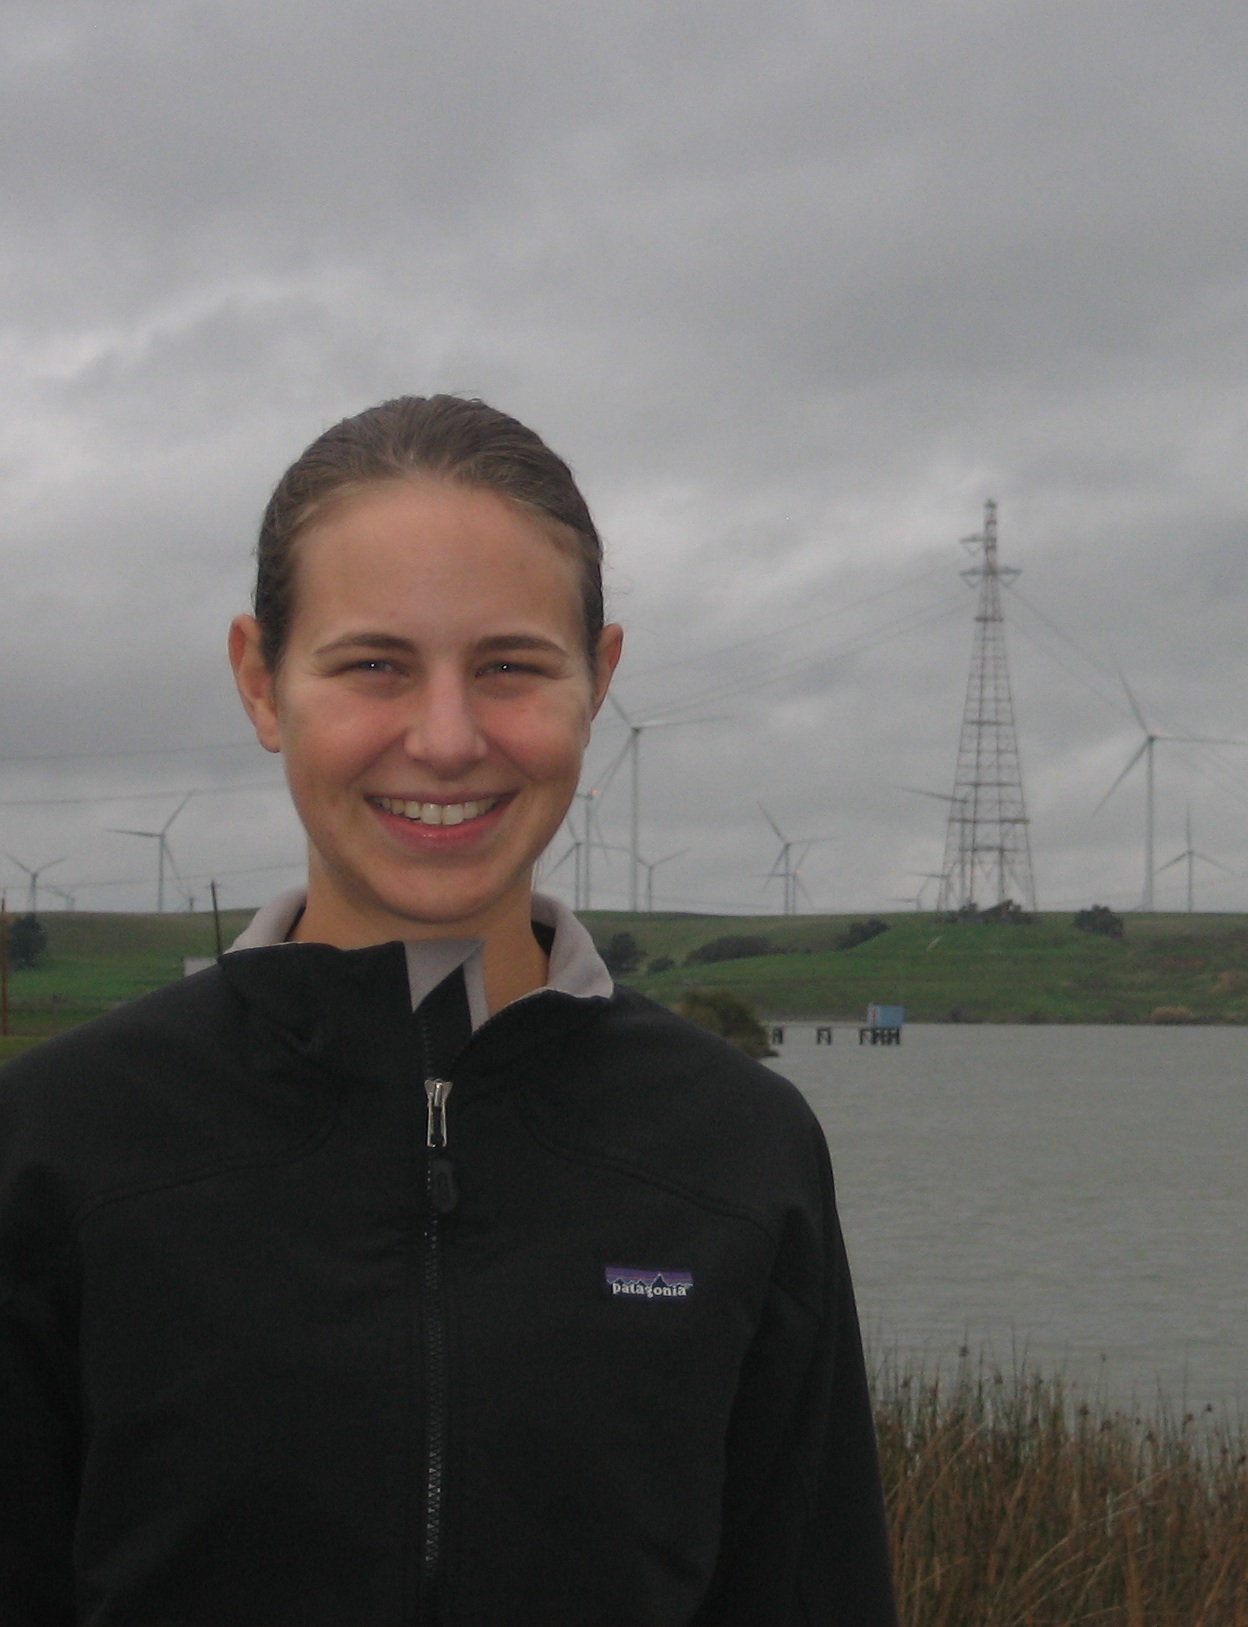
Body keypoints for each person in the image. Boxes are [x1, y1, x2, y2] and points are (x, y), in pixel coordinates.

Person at [0, 396, 897, 1626]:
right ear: (261, 684)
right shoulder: (56, 1146)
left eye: (511, 667)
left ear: (601, 681)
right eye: (374, 664)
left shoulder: (743, 1150)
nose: (445, 737)